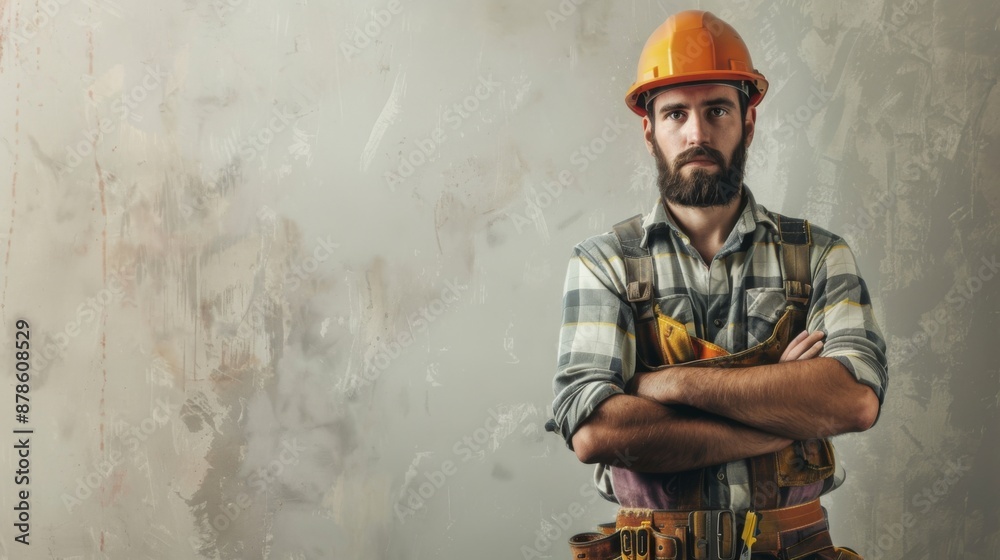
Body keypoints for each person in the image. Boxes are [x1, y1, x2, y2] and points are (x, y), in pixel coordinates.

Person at [548, 10, 888, 560]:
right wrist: (782, 411)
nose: (697, 133)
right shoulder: (603, 262)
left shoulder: (822, 255)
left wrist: (669, 385)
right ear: (649, 130)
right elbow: (596, 433)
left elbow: (852, 400)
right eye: (676, 113)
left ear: (747, 123)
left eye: (717, 111)